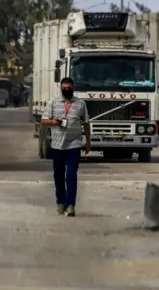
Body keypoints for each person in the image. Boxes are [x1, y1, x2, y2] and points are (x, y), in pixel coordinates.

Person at [40, 77, 91, 217]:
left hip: (74, 145)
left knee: (71, 176)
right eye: (64, 88)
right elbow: (43, 121)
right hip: (57, 146)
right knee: (58, 176)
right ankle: (60, 202)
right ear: (61, 88)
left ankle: (71, 205)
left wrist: (88, 142)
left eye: (69, 88)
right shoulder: (53, 103)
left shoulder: (80, 104)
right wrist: (54, 122)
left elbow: (86, 123)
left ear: (73, 87)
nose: (67, 90)